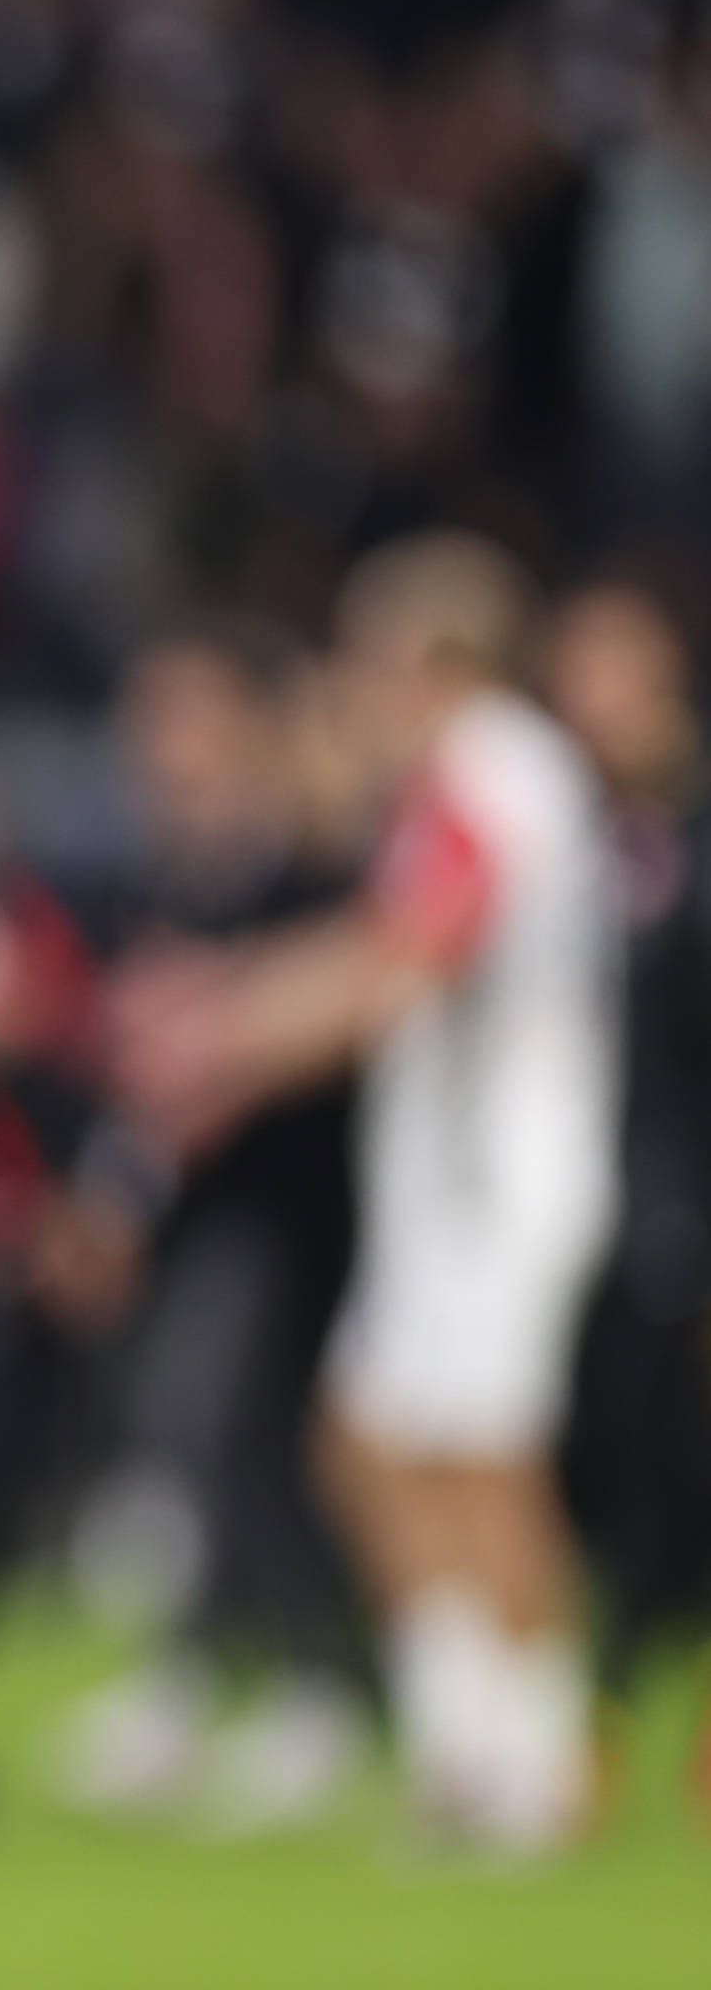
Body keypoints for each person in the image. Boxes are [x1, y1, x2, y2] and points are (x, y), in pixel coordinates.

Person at [114, 532, 620, 1856]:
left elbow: (411, 947)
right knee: (374, 1443)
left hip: (497, 1183)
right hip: (448, 1182)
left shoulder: (495, 775)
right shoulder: (475, 781)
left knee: (482, 1461)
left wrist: (227, 1030)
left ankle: (540, 1755)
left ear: (435, 664)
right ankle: (469, 1740)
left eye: (374, 660)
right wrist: (244, 1025)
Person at [56, 625, 372, 1836]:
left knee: (235, 1427)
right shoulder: (162, 875)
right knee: (192, 1432)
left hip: (296, 1203)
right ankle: (207, 1671)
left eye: (185, 715)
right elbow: (137, 1069)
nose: (162, 745)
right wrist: (113, 1195)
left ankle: (315, 1684)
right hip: (202, 1210)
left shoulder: (306, 863)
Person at [539, 585, 711, 1715]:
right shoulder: (547, 832)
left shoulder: (689, 845)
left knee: (678, 1455)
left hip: (676, 1192)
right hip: (560, 1193)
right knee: (594, 1452)